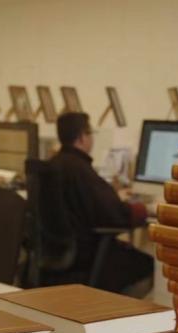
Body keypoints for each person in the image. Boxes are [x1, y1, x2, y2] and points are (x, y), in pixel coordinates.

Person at [48, 112, 149, 290]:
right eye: (90, 134)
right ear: (82, 137)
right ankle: (117, 314)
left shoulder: (53, 164)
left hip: (59, 257)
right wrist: (145, 210)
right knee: (149, 264)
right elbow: (114, 214)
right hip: (89, 258)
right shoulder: (80, 169)